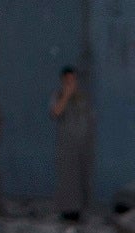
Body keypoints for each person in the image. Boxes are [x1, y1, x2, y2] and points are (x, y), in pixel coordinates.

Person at [50, 65, 91, 221]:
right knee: (67, 178)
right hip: (66, 146)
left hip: (82, 146)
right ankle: (66, 210)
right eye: (68, 80)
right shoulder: (58, 95)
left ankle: (80, 210)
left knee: (81, 179)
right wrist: (66, 96)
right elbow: (55, 112)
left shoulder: (83, 98)